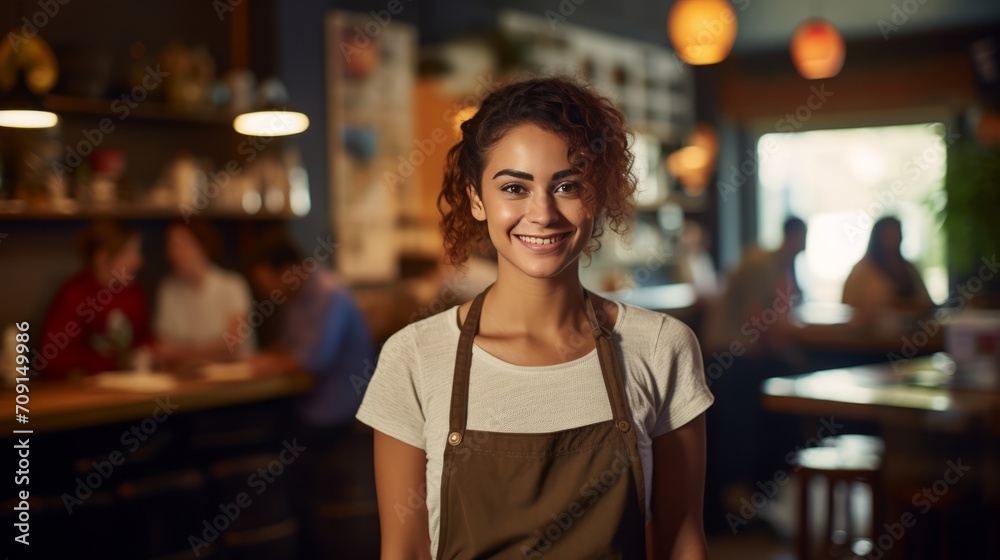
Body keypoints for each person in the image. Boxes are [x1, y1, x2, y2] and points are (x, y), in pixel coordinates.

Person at [355, 76, 714, 558]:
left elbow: (681, 543)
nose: (542, 213)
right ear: (477, 199)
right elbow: (405, 551)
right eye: (514, 188)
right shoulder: (414, 358)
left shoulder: (662, 347)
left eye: (567, 185)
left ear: (599, 193)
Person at [37, 220, 151, 379]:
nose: (139, 261)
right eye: (129, 252)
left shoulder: (135, 294)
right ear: (102, 258)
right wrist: (112, 362)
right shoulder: (75, 294)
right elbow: (52, 359)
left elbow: (144, 342)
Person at [153, 220, 254, 366]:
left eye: (183, 245)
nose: (174, 253)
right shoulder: (169, 288)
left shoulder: (232, 285)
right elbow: (164, 347)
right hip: (185, 379)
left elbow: (233, 345)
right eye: (171, 246)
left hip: (232, 377)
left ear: (202, 246)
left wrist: (181, 352)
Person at [842, 216, 933, 325]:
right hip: (872, 335)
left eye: (897, 232)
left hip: (911, 331)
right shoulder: (862, 270)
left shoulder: (908, 268)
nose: (894, 237)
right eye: (889, 233)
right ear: (878, 236)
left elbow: (925, 301)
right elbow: (848, 308)